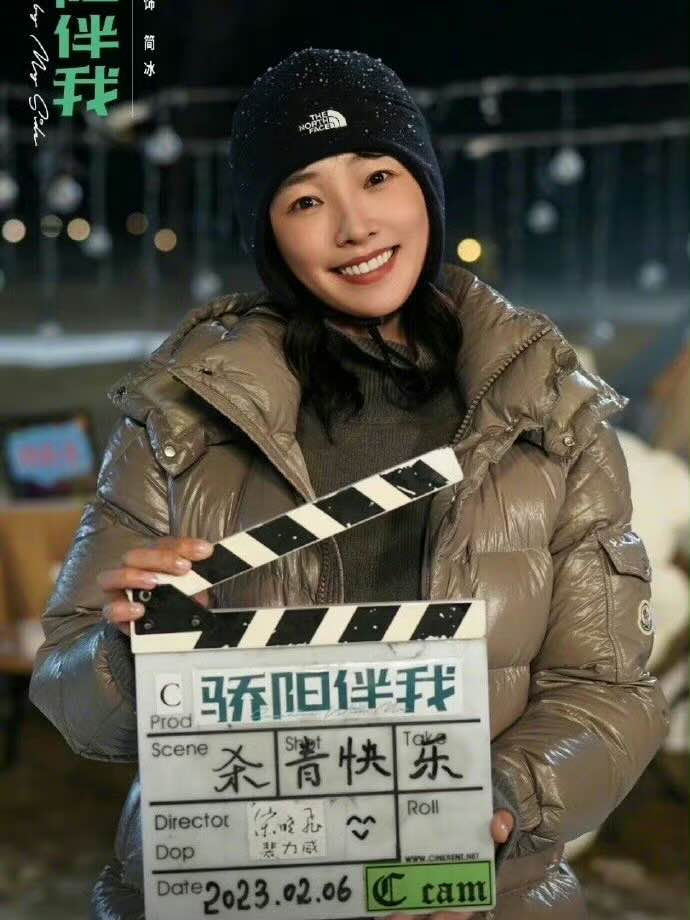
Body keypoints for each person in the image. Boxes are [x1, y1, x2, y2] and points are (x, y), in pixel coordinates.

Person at [29, 48, 668, 920]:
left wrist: (496, 801)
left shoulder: (548, 416)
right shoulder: (181, 416)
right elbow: (74, 703)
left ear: (424, 189)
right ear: (269, 233)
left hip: (478, 900)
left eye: (377, 177)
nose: (354, 226)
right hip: (234, 888)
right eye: (305, 200)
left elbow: (608, 691)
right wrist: (128, 651)